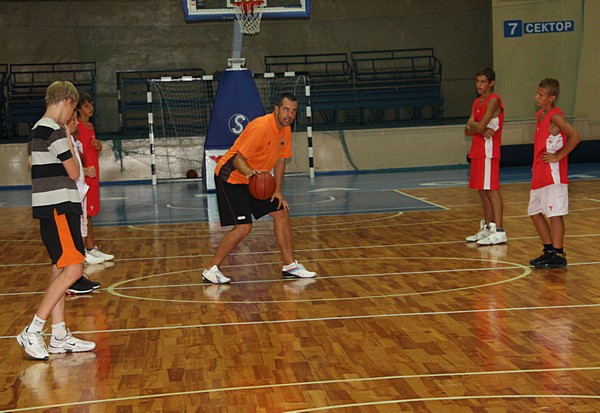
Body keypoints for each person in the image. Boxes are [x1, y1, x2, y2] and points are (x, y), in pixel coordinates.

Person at [202, 92, 317, 284]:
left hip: (255, 179)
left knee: (281, 212)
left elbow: (280, 160)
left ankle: (290, 265)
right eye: (286, 109)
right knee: (244, 227)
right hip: (231, 177)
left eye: (293, 111)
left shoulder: (285, 130)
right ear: (276, 109)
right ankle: (211, 269)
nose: (289, 115)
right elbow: (238, 160)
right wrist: (250, 173)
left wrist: (277, 190)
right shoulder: (260, 127)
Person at [17, 81, 96, 360]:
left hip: (51, 208)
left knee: (59, 271)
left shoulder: (37, 130)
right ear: (66, 102)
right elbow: (74, 172)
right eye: (73, 109)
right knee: (74, 270)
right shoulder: (54, 130)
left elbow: (32, 164)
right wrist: (68, 138)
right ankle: (33, 329)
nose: (72, 115)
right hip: (59, 207)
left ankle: (59, 335)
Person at [528, 78, 580, 268]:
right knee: (534, 212)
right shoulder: (540, 114)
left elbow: (575, 136)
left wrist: (558, 156)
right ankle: (549, 250)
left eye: (541, 95)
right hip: (539, 172)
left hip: (552, 174)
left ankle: (558, 254)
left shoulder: (556, 117)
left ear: (552, 97)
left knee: (555, 214)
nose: (537, 97)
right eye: (537, 93)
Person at [464, 67, 507, 245]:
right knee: (482, 191)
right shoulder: (476, 102)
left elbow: (476, 126)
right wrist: (479, 128)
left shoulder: (494, 100)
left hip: (489, 151)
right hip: (477, 150)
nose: (479, 85)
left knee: (491, 190)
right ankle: (488, 227)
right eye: (477, 81)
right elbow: (467, 129)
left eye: (483, 82)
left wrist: (477, 126)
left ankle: (499, 230)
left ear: (491, 83)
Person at [64, 111, 102, 294]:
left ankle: (76, 276)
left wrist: (85, 171)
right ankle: (72, 278)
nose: (77, 123)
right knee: (74, 233)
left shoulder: (73, 142)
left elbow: (77, 166)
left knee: (80, 231)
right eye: (73, 120)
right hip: (70, 196)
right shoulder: (63, 141)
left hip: (79, 192)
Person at [76, 93, 114, 263]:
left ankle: (90, 248)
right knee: (85, 215)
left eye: (91, 104)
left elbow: (90, 152)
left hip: (93, 174)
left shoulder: (90, 126)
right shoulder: (75, 126)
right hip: (84, 175)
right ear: (78, 108)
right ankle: (87, 248)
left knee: (89, 213)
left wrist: (98, 147)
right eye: (86, 105)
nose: (90, 108)